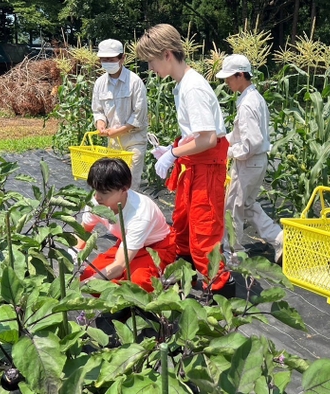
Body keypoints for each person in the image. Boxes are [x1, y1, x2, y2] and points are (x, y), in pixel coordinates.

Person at [135, 24, 235, 297]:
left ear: (167, 54)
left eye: (151, 61)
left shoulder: (193, 88)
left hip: (207, 167)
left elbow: (208, 139)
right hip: (195, 165)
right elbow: (195, 134)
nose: (151, 67)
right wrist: (172, 148)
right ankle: (190, 274)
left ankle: (220, 287)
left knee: (204, 230)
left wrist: (173, 154)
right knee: (183, 224)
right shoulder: (183, 85)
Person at [215, 54, 284, 263]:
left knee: (233, 207)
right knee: (247, 205)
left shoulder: (246, 104)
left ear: (241, 75)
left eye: (230, 77)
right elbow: (241, 135)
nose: (226, 82)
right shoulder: (253, 98)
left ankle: (234, 251)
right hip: (257, 161)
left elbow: (250, 143)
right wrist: (221, 142)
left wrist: (227, 151)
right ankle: (279, 238)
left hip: (248, 162)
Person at [76, 158, 176, 292]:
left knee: (138, 282)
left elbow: (119, 265)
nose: (97, 197)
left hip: (157, 247)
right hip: (127, 243)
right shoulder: (95, 203)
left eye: (104, 192)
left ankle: (170, 279)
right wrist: (72, 257)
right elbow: (84, 233)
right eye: (95, 190)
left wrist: (84, 286)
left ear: (124, 189)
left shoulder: (140, 213)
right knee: (88, 274)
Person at [91, 39, 148, 191]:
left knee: (129, 184)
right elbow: (98, 111)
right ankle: (116, 214)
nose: (107, 62)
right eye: (104, 59)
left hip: (134, 141)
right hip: (113, 142)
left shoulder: (135, 82)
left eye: (111, 59)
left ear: (122, 58)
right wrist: (101, 124)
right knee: (113, 185)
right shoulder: (100, 83)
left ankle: (130, 214)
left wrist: (118, 131)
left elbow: (139, 115)